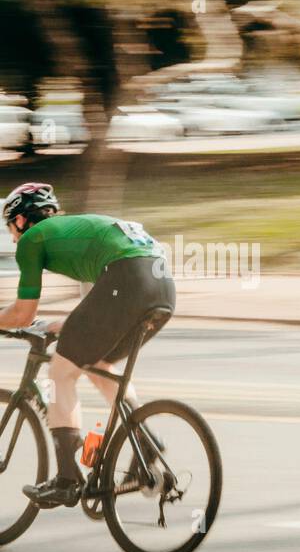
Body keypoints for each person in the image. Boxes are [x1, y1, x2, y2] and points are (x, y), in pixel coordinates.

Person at [0, 183, 175, 508]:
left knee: (61, 372)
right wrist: (58, 326)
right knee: (96, 362)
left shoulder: (31, 241)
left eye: (11, 227)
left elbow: (23, 313)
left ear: (22, 221)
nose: (13, 238)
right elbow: (95, 313)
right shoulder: (80, 231)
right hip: (162, 285)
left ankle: (67, 479)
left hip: (127, 279)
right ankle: (144, 440)